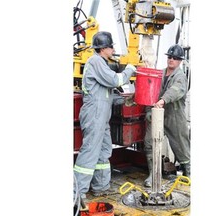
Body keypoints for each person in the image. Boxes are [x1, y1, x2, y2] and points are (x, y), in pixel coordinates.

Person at [73, 31, 136, 199]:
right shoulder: (95, 61)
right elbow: (115, 81)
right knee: (90, 151)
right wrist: (129, 69)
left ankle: (100, 186)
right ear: (103, 48)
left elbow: (107, 94)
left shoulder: (101, 63)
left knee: (104, 150)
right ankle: (77, 192)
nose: (113, 49)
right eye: (111, 46)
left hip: (102, 117)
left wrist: (126, 99)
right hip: (94, 115)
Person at [143, 44, 191, 187]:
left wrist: (163, 100)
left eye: (175, 58)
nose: (171, 59)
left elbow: (176, 90)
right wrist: (146, 108)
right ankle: (153, 175)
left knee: (181, 146)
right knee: (149, 143)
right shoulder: (161, 73)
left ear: (180, 61)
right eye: (169, 57)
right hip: (157, 114)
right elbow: (150, 90)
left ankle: (188, 173)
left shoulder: (180, 77)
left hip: (174, 116)